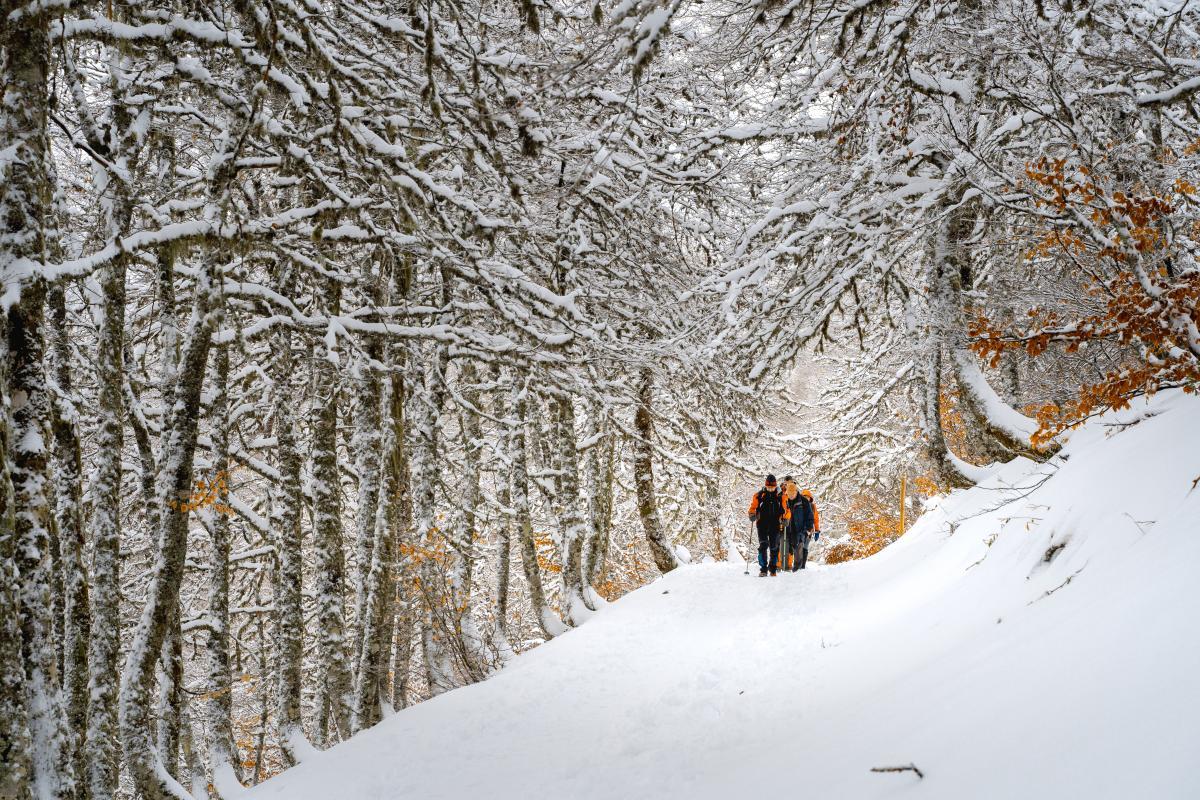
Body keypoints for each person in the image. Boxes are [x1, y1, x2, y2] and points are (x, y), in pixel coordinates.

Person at [748, 474, 787, 577]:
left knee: (774, 547)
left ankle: (773, 569)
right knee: (763, 545)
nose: (770, 489)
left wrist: (786, 518)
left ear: (775, 486)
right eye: (769, 487)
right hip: (762, 524)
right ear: (766, 486)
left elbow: (786, 509)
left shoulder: (780, 496)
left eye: (772, 487)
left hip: (775, 524)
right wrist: (752, 514)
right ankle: (763, 569)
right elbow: (753, 507)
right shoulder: (759, 495)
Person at [791, 487, 821, 570]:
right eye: (804, 496)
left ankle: (802, 565)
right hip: (799, 529)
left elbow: (816, 519)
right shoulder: (799, 504)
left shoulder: (813, 507)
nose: (806, 498)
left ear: (810, 498)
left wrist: (817, 530)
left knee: (805, 547)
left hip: (809, 530)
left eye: (807, 497)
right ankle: (797, 564)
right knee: (798, 546)